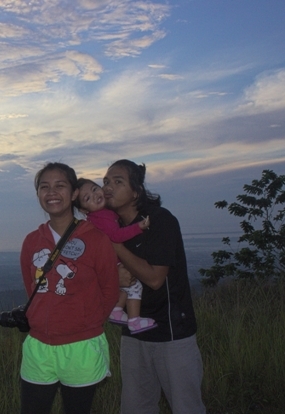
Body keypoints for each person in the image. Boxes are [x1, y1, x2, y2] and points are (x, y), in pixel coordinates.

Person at [102, 159, 206, 414]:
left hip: (171, 332)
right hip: (134, 332)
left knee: (185, 406)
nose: (108, 188)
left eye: (118, 181)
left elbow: (155, 278)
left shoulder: (159, 221)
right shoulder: (112, 227)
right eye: (105, 182)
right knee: (135, 407)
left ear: (136, 191)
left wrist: (116, 246)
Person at [19, 162, 119, 414]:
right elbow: (30, 286)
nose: (51, 192)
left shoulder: (95, 238)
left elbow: (109, 288)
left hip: (82, 345)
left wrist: (89, 321)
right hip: (39, 346)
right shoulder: (32, 240)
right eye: (44, 187)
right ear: (39, 195)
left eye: (60, 186)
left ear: (74, 193)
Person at [75, 178, 157, 333]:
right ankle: (134, 320)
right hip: (112, 262)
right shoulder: (102, 218)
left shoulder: (101, 215)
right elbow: (116, 236)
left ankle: (117, 311)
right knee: (135, 286)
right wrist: (138, 227)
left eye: (94, 189)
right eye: (87, 198)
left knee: (126, 287)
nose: (95, 196)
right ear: (84, 210)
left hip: (108, 261)